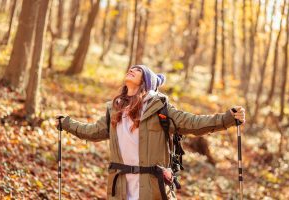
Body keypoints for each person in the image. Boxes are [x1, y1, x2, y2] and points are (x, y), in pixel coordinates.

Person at [57, 65, 245, 200]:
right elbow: (91, 132)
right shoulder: (115, 110)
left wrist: (227, 118)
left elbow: (194, 123)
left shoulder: (160, 108)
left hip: (154, 190)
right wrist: (66, 123)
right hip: (120, 188)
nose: (132, 70)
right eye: (131, 68)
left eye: (138, 70)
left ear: (146, 82)